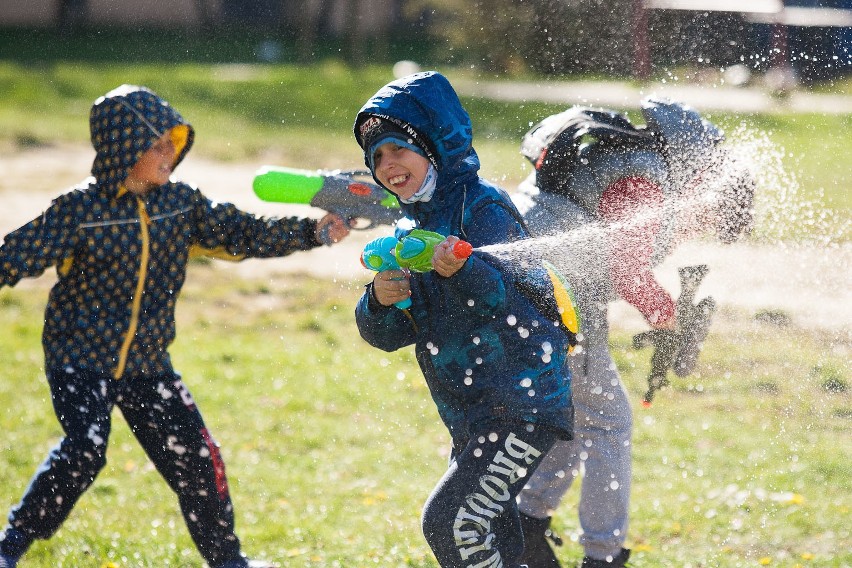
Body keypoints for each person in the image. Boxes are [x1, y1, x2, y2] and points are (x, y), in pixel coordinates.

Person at [0, 84, 351, 568]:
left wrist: (312, 232)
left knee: (198, 460)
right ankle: (10, 545)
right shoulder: (78, 211)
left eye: (174, 141)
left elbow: (242, 232)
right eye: (157, 143)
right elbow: (13, 256)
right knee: (85, 448)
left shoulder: (181, 205)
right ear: (124, 147)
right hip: (78, 358)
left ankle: (228, 561)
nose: (170, 152)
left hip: (147, 362)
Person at [511, 99, 754, 567]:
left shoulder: (624, 162)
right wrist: (670, 320)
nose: (704, 209)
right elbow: (627, 269)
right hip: (553, 294)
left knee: (579, 418)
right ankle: (602, 555)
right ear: (689, 157)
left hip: (544, 288)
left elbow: (618, 253)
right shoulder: (642, 177)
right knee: (609, 422)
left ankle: (527, 525)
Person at [353, 71, 581, 568]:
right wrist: (380, 301)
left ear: (435, 146)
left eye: (397, 149)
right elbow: (390, 335)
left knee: (452, 522)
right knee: (497, 534)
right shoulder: (410, 226)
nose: (388, 165)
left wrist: (465, 270)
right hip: (471, 411)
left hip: (522, 400)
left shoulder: (484, 208)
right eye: (376, 158)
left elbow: (506, 295)